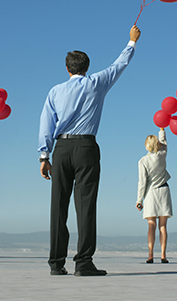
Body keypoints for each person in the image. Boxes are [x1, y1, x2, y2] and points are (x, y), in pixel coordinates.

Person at [39, 25, 141, 277]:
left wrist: (44, 155)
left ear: (67, 68)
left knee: (58, 207)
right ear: (87, 67)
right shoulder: (96, 83)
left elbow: (46, 124)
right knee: (85, 206)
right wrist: (131, 41)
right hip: (86, 146)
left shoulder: (55, 91)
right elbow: (120, 65)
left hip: (61, 148)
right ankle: (83, 262)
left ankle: (56, 262)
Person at [135, 128, 173, 264]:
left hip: (150, 193)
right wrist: (162, 130)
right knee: (163, 226)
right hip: (164, 190)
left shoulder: (143, 161)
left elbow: (142, 182)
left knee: (151, 225)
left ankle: (150, 254)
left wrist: (139, 200)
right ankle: (163, 255)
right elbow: (164, 142)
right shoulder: (162, 154)